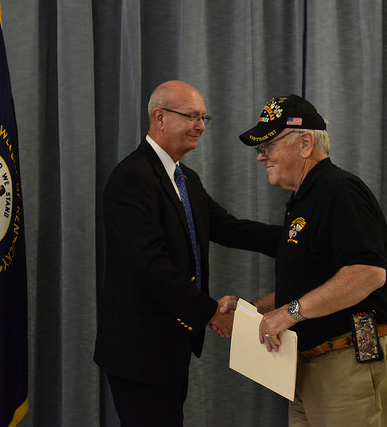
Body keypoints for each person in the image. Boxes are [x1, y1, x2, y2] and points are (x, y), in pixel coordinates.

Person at [94, 80, 280, 426]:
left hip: (170, 344)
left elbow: (228, 227)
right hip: (139, 350)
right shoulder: (132, 178)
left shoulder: (186, 178)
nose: (201, 126)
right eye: (191, 116)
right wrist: (211, 313)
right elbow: (151, 267)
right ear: (159, 117)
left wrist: (298, 239)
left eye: (204, 118)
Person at [239, 94, 387, 426]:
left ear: (305, 143)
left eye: (268, 146)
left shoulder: (339, 190)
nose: (261, 157)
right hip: (315, 364)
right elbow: (315, 284)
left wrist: (287, 314)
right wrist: (255, 311)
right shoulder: (305, 199)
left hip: (351, 359)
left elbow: (367, 273)